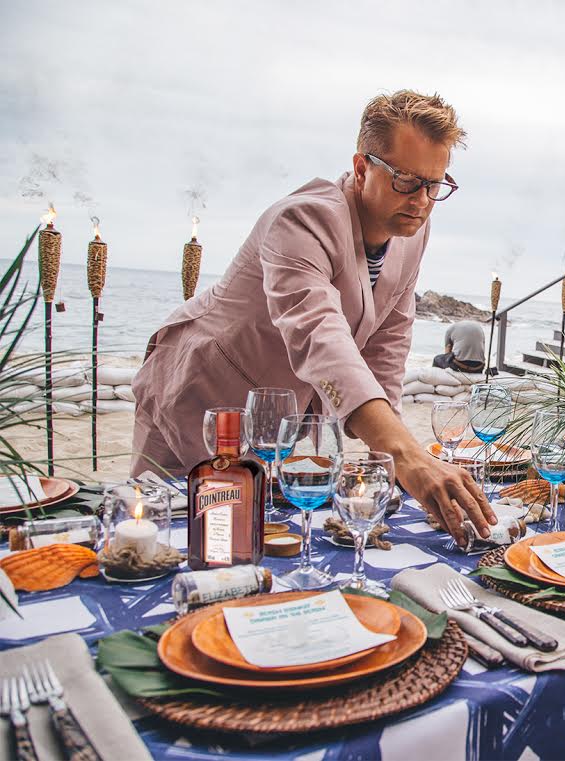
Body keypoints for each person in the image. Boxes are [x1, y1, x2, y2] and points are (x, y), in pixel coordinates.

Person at [131, 90, 496, 541]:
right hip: (198, 399)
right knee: (167, 538)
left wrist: (389, 458)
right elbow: (320, 339)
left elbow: (388, 344)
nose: (421, 200)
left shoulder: (412, 230)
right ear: (361, 168)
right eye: (406, 180)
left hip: (272, 426)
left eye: (433, 185)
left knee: (247, 541)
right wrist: (406, 454)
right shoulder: (301, 221)